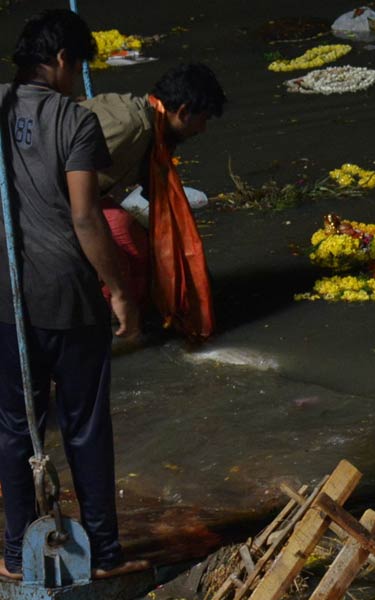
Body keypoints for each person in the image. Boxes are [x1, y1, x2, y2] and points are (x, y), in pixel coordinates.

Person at [0, 9, 144, 580]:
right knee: (84, 425)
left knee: (16, 426)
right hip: (67, 295)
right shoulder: (75, 121)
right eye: (77, 62)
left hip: (6, 299)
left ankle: (13, 557)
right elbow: (86, 218)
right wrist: (121, 291)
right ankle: (104, 555)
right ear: (63, 61)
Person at [80, 64, 226, 339]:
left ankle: (135, 317)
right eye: (203, 119)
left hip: (84, 196)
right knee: (119, 252)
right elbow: (55, 172)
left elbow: (164, 205)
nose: (203, 129)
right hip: (45, 198)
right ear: (182, 112)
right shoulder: (129, 126)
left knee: (138, 243)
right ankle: (110, 326)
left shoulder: (154, 131)